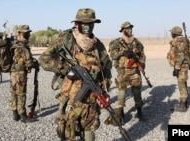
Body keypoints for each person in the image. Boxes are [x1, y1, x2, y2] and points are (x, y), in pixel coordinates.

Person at [39, 8, 112, 141]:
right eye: (84, 23)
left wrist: (104, 91)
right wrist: (65, 69)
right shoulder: (66, 39)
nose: (88, 26)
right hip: (69, 98)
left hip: (90, 98)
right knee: (68, 132)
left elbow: (106, 70)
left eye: (91, 23)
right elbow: (44, 59)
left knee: (89, 130)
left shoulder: (97, 45)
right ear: (77, 24)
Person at [105, 21, 146, 125]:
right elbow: (112, 56)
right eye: (127, 28)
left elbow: (142, 54)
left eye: (131, 28)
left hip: (134, 71)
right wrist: (122, 53)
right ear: (123, 30)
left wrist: (142, 63)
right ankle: (120, 113)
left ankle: (139, 111)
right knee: (122, 92)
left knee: (137, 91)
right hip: (122, 71)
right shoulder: (117, 42)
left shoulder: (136, 42)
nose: (130, 30)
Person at [9, 25, 36, 122]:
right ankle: (23, 115)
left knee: (14, 92)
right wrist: (35, 64)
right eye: (27, 33)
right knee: (21, 93)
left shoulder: (14, 44)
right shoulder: (23, 46)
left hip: (13, 72)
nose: (29, 35)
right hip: (20, 73)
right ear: (22, 33)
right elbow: (29, 62)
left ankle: (15, 113)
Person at [167, 26, 190, 112]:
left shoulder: (180, 41)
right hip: (183, 65)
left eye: (172, 32)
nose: (171, 34)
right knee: (183, 82)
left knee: (181, 84)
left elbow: (181, 55)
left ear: (175, 33)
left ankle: (183, 106)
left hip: (181, 66)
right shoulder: (183, 40)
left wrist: (177, 67)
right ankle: (184, 102)